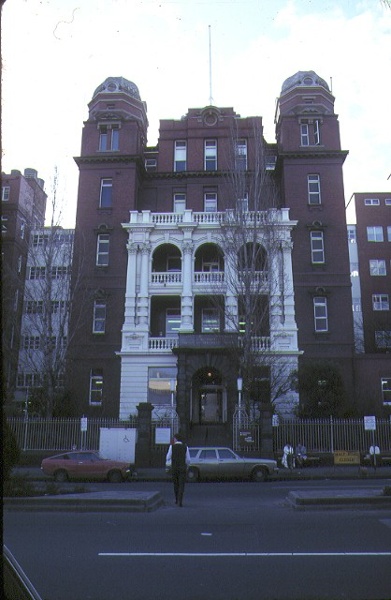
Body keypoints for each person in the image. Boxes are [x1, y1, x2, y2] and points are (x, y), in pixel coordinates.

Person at [165, 433, 190, 507]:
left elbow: (168, 457)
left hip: (174, 468)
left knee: (176, 484)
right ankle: (180, 501)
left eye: (174, 438)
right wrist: (187, 466)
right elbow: (188, 459)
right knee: (181, 485)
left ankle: (176, 499)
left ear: (176, 439)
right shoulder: (185, 447)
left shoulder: (172, 447)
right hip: (182, 468)